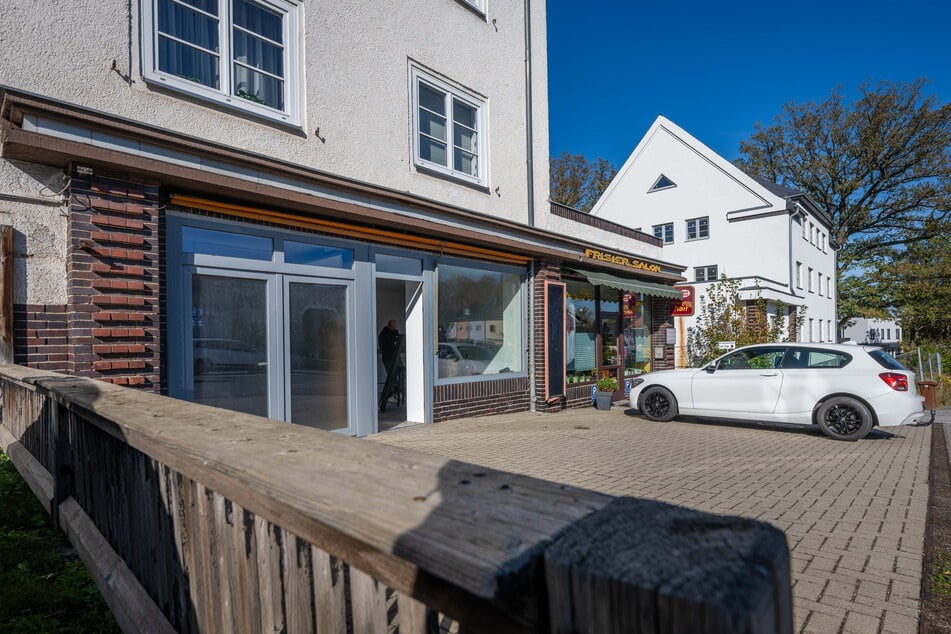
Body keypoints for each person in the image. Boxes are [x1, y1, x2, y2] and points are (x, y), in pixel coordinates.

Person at [378, 320, 401, 412]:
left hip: (396, 358)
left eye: (396, 327)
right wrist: (393, 343)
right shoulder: (383, 334)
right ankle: (390, 395)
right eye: (393, 327)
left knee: (400, 374)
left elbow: (398, 341)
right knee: (391, 376)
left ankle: (397, 393)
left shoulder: (395, 333)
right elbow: (383, 346)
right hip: (388, 358)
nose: (395, 329)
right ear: (389, 326)